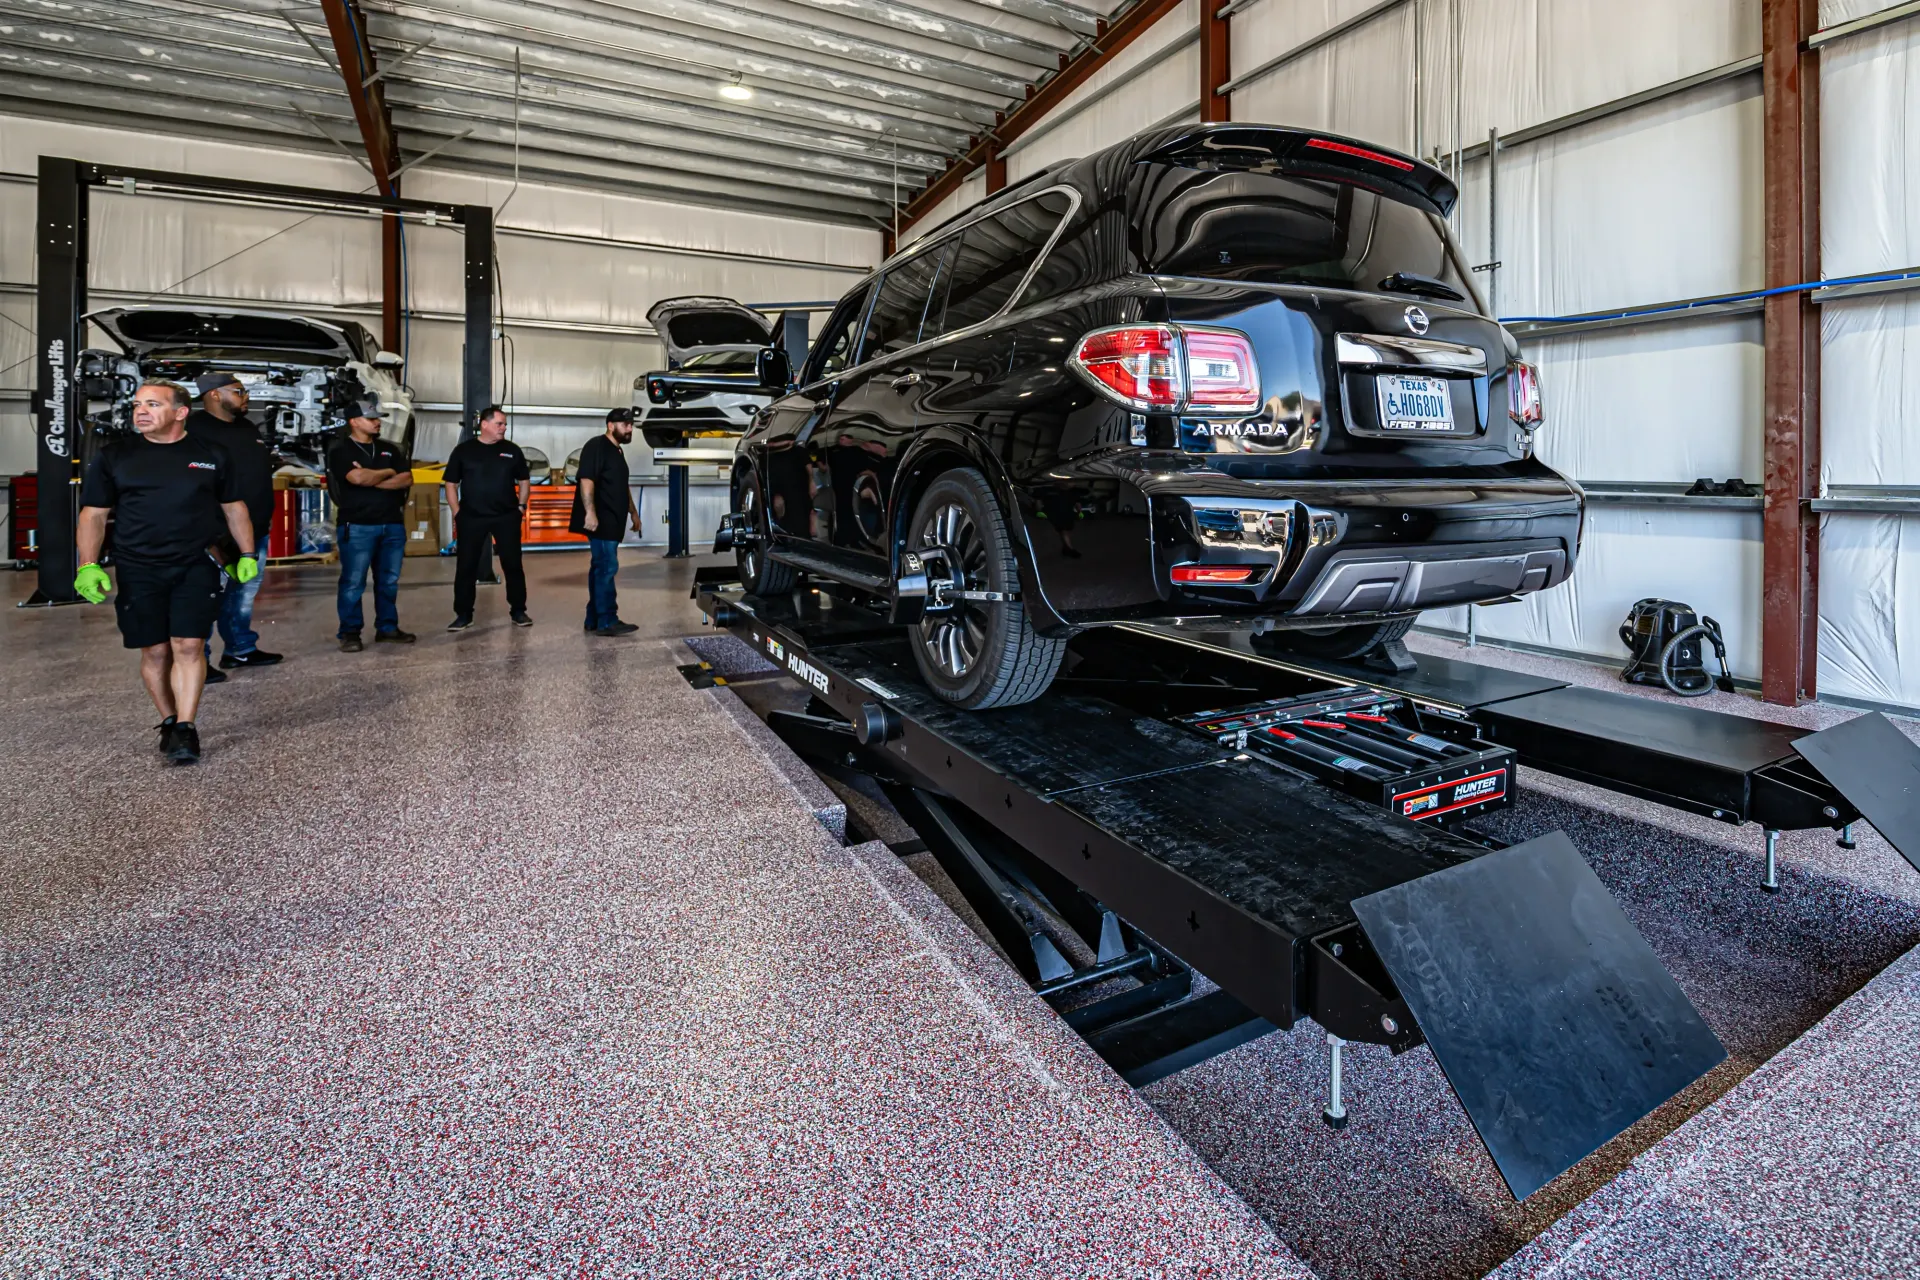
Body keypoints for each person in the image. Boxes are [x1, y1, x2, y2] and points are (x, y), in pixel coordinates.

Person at [72, 382, 259, 765]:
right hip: (138, 567)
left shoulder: (211, 454)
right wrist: (87, 565)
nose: (140, 411)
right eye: (137, 404)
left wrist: (247, 553)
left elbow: (234, 506)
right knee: (155, 650)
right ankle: (169, 720)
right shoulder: (114, 456)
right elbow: (93, 515)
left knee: (188, 645)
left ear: (180, 412)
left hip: (195, 564)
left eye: (153, 404)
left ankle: (187, 728)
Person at [186, 371, 283, 673]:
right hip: (214, 534)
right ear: (215, 395)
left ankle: (240, 649)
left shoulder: (246, 427)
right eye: (239, 391)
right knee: (204, 596)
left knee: (243, 595)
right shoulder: (193, 430)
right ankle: (196, 662)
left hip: (254, 531)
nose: (246, 397)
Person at [326, 396, 415, 652]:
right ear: (354, 421)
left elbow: (406, 479)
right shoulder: (340, 450)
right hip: (357, 526)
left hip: (392, 525)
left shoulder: (390, 449)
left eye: (378, 418)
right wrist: (387, 472)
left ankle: (387, 628)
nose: (377, 422)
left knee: (388, 581)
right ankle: (350, 633)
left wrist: (372, 478)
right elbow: (356, 478)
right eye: (371, 418)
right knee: (353, 581)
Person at [444, 404, 532, 631]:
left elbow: (524, 480)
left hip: (506, 517)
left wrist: (521, 507)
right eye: (499, 424)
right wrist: (457, 512)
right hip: (472, 518)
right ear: (484, 424)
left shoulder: (512, 450)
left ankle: (518, 611)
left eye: (505, 424)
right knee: (466, 566)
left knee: (513, 565)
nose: (504, 427)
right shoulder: (464, 451)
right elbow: (451, 483)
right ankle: (463, 614)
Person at [570, 407, 642, 636]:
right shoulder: (597, 446)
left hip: (613, 520)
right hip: (601, 519)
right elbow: (586, 479)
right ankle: (608, 620)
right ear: (611, 425)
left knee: (600, 568)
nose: (629, 429)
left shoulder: (617, 451)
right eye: (625, 425)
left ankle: (593, 618)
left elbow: (621, 485)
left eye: (631, 425)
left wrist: (633, 512)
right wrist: (590, 513)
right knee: (606, 567)